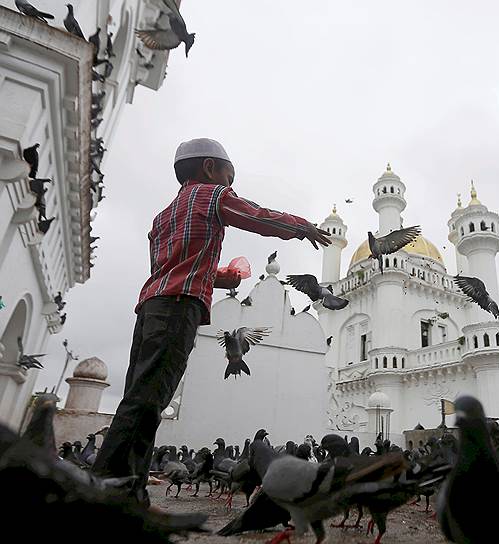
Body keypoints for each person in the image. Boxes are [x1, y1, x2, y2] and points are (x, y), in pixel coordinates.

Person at [92, 138, 330, 506]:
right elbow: (258, 216)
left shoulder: (164, 215)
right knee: (150, 400)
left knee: (138, 397)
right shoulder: (212, 196)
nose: (229, 185)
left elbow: (173, 266)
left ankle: (127, 488)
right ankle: (110, 487)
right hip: (178, 307)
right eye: (227, 176)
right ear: (209, 169)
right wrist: (303, 227)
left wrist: (223, 278)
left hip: (151, 305)